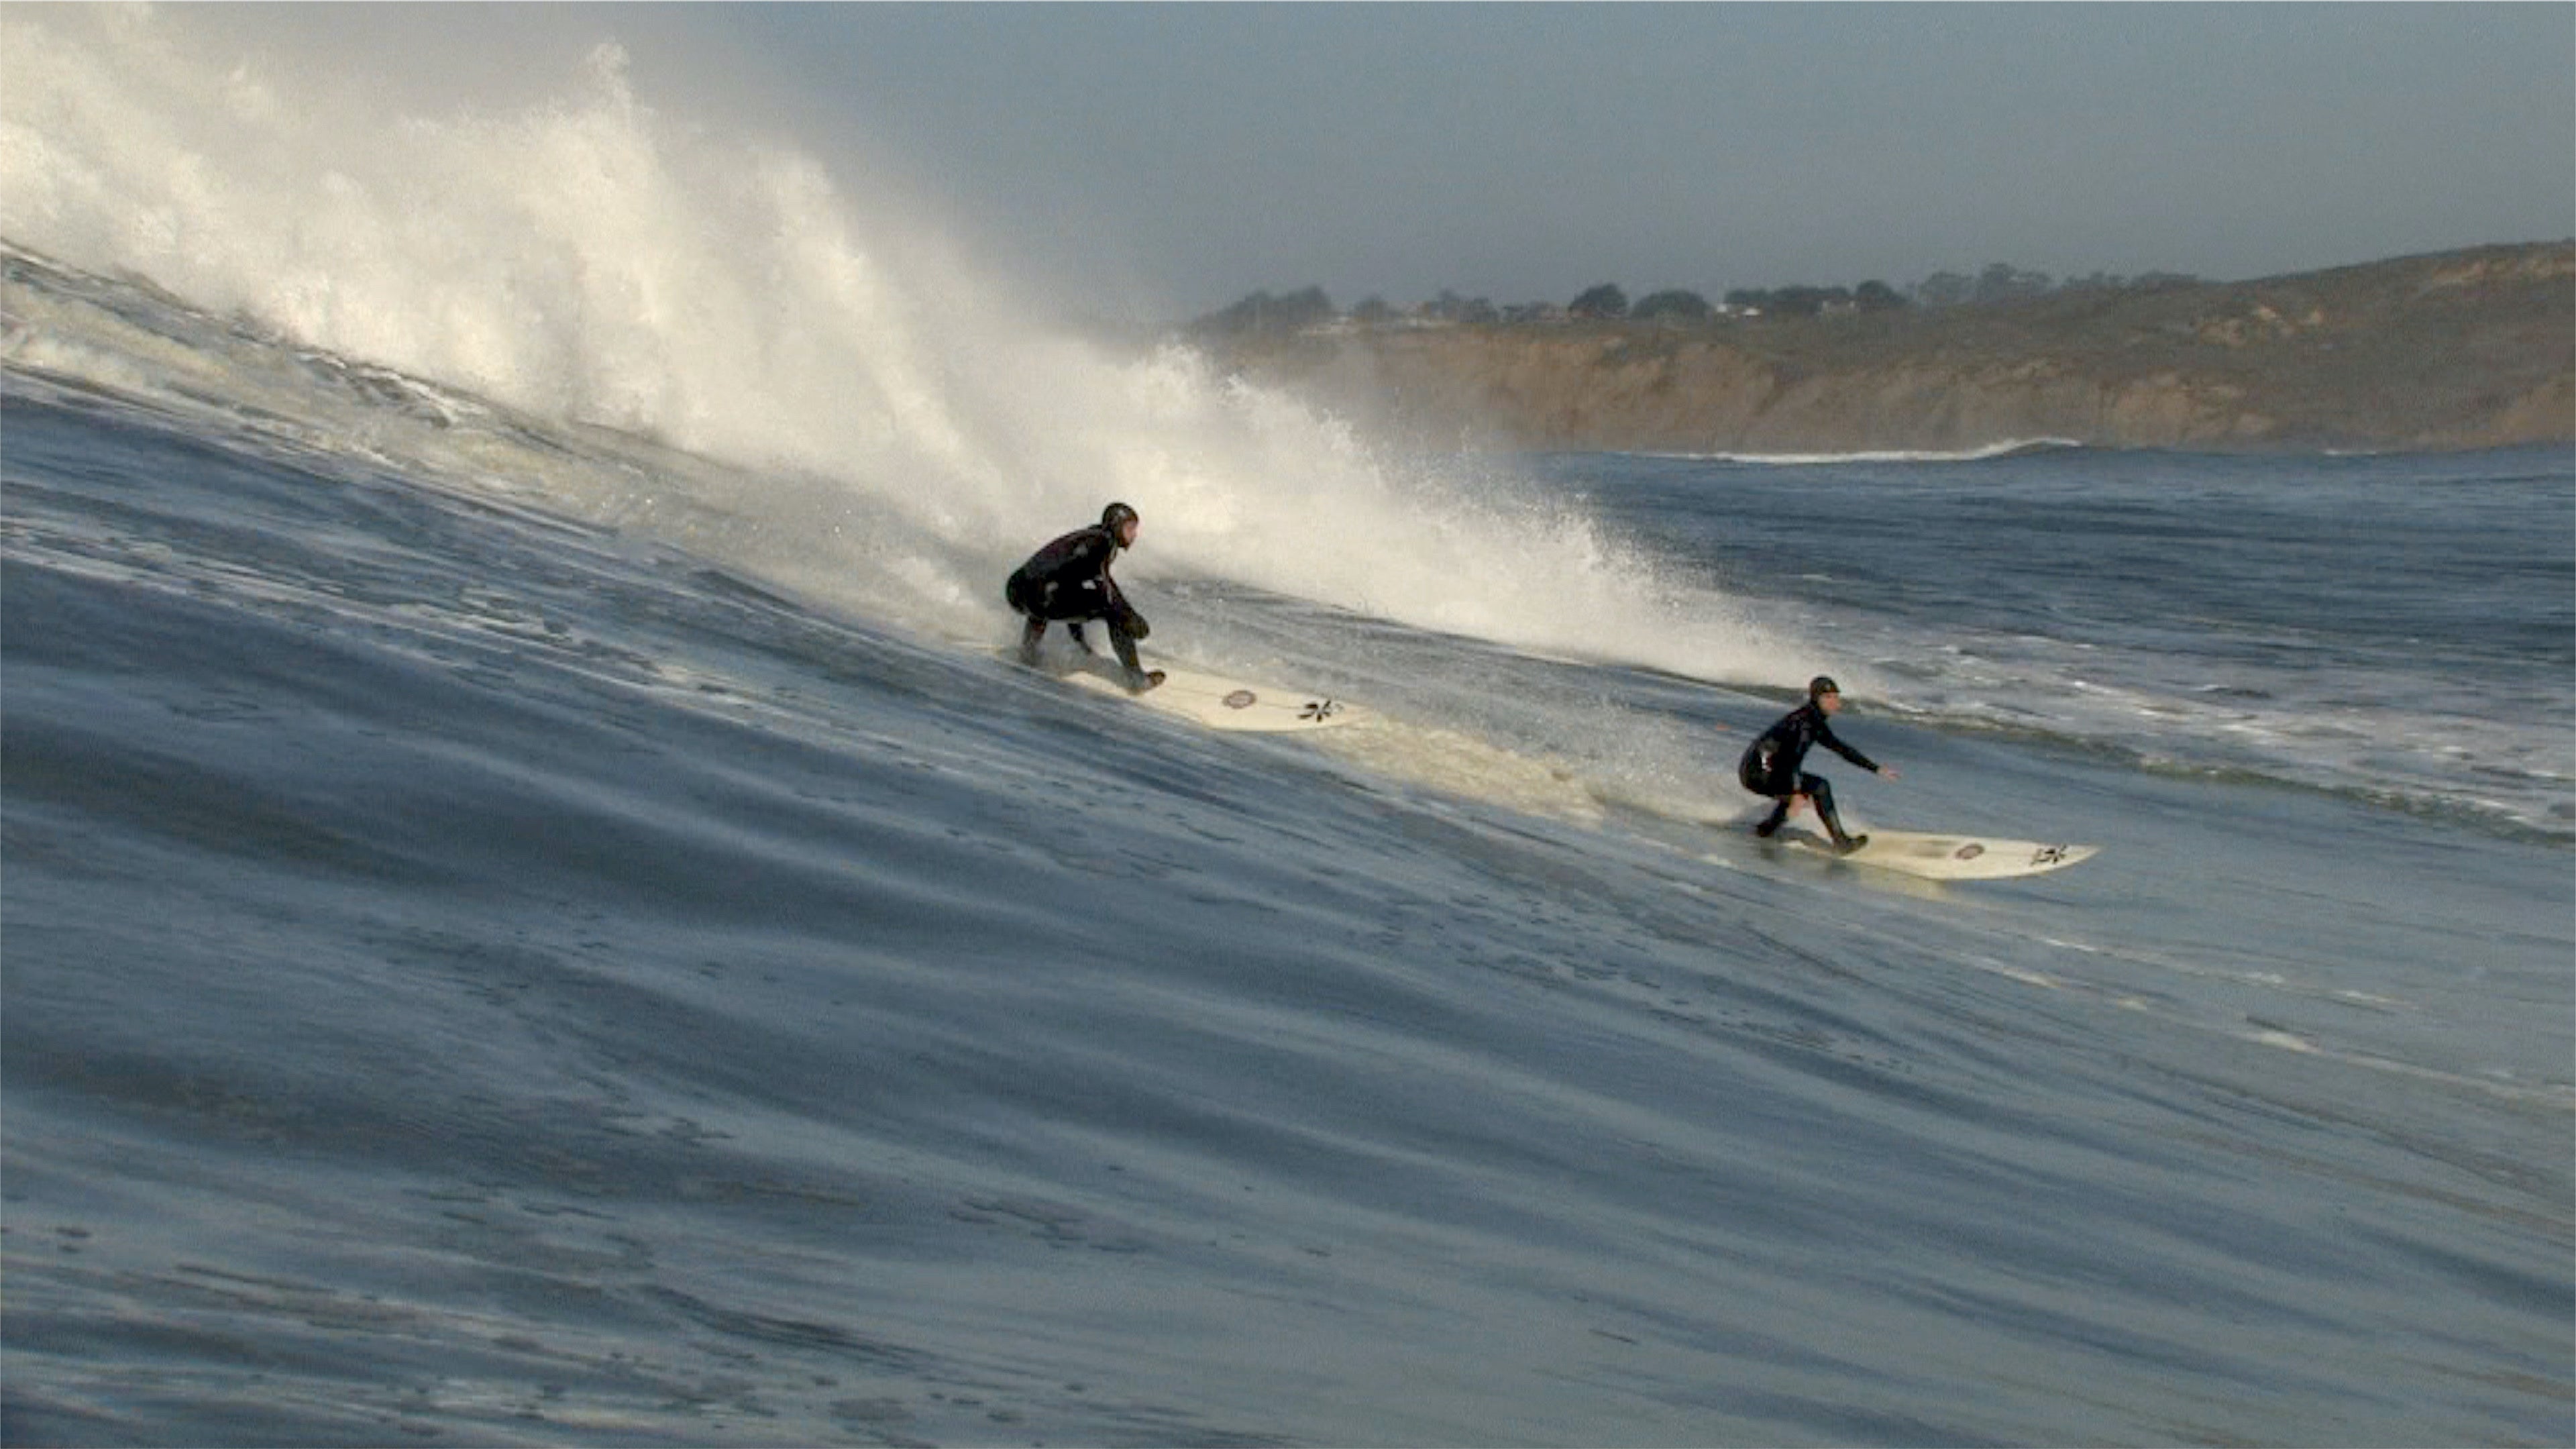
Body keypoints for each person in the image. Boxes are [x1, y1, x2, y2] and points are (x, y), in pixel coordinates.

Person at [1005, 502, 1164, 692]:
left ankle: (1028, 653)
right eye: (1130, 528)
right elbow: (1106, 592)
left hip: (1016, 589)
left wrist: (1080, 641)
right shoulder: (1103, 543)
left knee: (1049, 594)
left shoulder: (1088, 538)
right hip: (1040, 595)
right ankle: (1137, 679)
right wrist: (1129, 616)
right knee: (1112, 613)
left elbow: (1070, 589)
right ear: (1116, 525)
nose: (1134, 535)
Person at [1739, 676, 1896, 853]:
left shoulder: (1813, 720)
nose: (1834, 702)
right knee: (1819, 787)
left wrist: (1876, 768)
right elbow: (1789, 758)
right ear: (1816, 699)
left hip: (1757, 771)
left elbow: (1840, 749)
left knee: (1799, 787)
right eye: (1828, 697)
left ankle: (1767, 829)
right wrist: (1797, 793)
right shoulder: (1806, 724)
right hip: (1759, 773)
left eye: (1836, 697)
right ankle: (1842, 843)